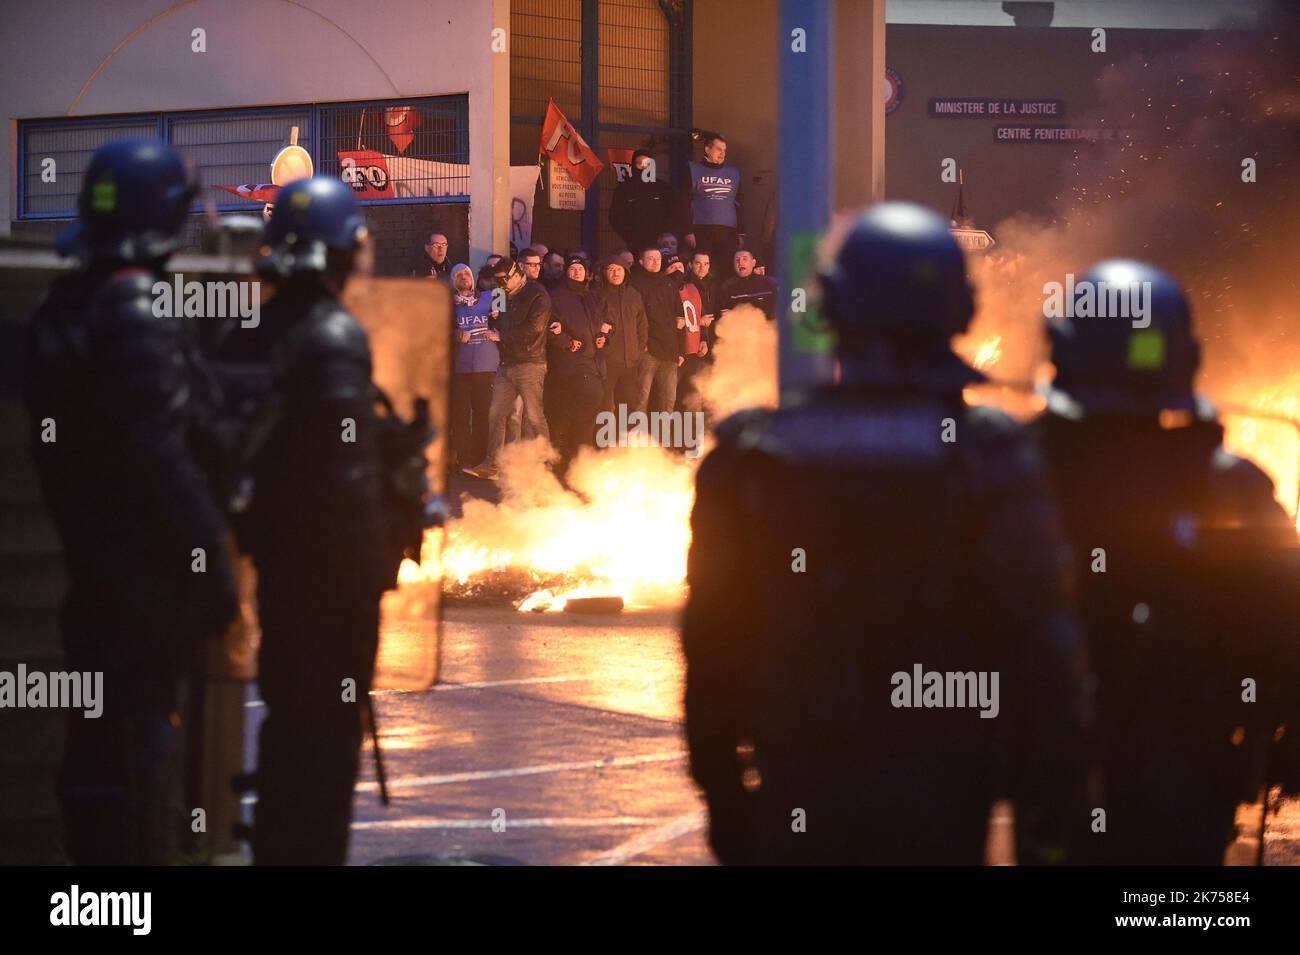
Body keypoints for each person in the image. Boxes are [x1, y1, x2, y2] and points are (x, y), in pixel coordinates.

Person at [682, 202, 1090, 865]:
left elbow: (710, 645)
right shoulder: (990, 453)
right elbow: (1046, 648)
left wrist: (727, 804)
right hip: (945, 782)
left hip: (802, 772)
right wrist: (1052, 822)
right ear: (958, 311)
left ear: (832, 309)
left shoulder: (752, 453)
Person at [1038, 259, 1300, 865]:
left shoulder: (1017, 482)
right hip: (1187, 780)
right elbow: (1286, 631)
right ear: (1187, 359)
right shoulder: (1232, 490)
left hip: (1056, 778)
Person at [23, 137, 238, 865]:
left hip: (95, 573)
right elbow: (160, 452)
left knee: (96, 746)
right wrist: (214, 562)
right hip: (145, 581)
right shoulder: (133, 310)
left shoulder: (69, 302)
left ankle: (94, 897)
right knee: (145, 756)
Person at [238, 176, 389, 866]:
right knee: (325, 747)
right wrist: (375, 567)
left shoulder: (255, 329)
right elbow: (343, 476)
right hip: (328, 585)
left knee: (287, 728)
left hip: (275, 566)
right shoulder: (333, 333)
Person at [464, 256, 553, 480]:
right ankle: (492, 464)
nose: (501, 285)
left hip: (530, 362)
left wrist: (501, 334)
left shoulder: (537, 293)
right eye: (498, 281)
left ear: (517, 273)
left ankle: (544, 462)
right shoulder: (501, 294)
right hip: (506, 363)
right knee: (496, 413)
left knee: (534, 415)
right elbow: (495, 322)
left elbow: (535, 327)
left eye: (504, 280)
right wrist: (494, 320)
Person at [544, 254, 606, 470]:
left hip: (593, 361)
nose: (576, 272)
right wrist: (565, 342)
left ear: (586, 273)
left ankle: (579, 457)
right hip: (569, 362)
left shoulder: (593, 297)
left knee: (585, 409)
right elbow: (550, 326)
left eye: (580, 269)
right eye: (572, 269)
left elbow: (605, 323)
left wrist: (604, 336)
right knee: (580, 403)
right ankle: (567, 455)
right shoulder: (556, 297)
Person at [450, 262, 499, 471]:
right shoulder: (449, 303)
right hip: (460, 368)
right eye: (459, 275)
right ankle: (464, 458)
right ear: (453, 280)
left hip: (487, 365)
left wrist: (500, 322)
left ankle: (481, 456)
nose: (463, 277)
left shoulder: (491, 296)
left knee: (483, 414)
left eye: (466, 273)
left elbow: (510, 319)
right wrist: (457, 334)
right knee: (461, 415)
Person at [627, 246, 686, 416]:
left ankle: (662, 440)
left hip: (670, 351)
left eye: (658, 259)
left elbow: (680, 319)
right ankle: (637, 440)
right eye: (651, 259)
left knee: (668, 400)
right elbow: (634, 320)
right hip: (647, 351)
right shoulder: (634, 285)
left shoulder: (669, 283)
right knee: (640, 399)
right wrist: (641, 346)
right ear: (641, 262)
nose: (655, 262)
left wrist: (680, 350)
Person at [593, 256, 648, 419]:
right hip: (606, 363)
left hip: (630, 363)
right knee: (604, 407)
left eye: (619, 269)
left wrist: (638, 351)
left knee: (628, 406)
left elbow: (642, 325)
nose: (615, 273)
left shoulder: (634, 295)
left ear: (625, 272)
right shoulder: (596, 295)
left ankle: (623, 442)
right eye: (611, 269)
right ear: (604, 273)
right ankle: (603, 443)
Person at [685, 133, 740, 274]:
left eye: (724, 150)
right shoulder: (692, 169)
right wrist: (687, 230)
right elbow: (683, 203)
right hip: (701, 230)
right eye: (718, 149)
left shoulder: (733, 172)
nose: (722, 153)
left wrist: (742, 233)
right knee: (702, 271)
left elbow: (740, 203)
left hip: (728, 232)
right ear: (707, 149)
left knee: (726, 271)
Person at [609, 148, 677, 258]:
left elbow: (673, 213)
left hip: (661, 243)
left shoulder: (663, 188)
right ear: (633, 165)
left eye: (647, 164)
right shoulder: (624, 189)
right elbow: (615, 217)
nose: (643, 167)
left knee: (662, 266)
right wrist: (629, 236)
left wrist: (666, 234)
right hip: (635, 244)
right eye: (639, 164)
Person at [718, 248, 777, 322]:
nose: (740, 263)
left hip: (766, 331)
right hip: (740, 331)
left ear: (753, 263)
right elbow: (721, 316)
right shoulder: (726, 287)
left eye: (744, 259)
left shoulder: (768, 284)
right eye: (737, 260)